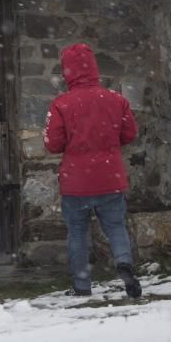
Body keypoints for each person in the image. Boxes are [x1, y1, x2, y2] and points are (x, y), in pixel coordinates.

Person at [43, 42, 142, 299]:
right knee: (116, 227)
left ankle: (82, 286)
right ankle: (123, 263)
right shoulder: (115, 100)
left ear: (68, 72)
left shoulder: (61, 104)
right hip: (110, 176)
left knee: (77, 233)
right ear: (94, 68)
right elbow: (130, 133)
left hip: (76, 181)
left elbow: (53, 144)